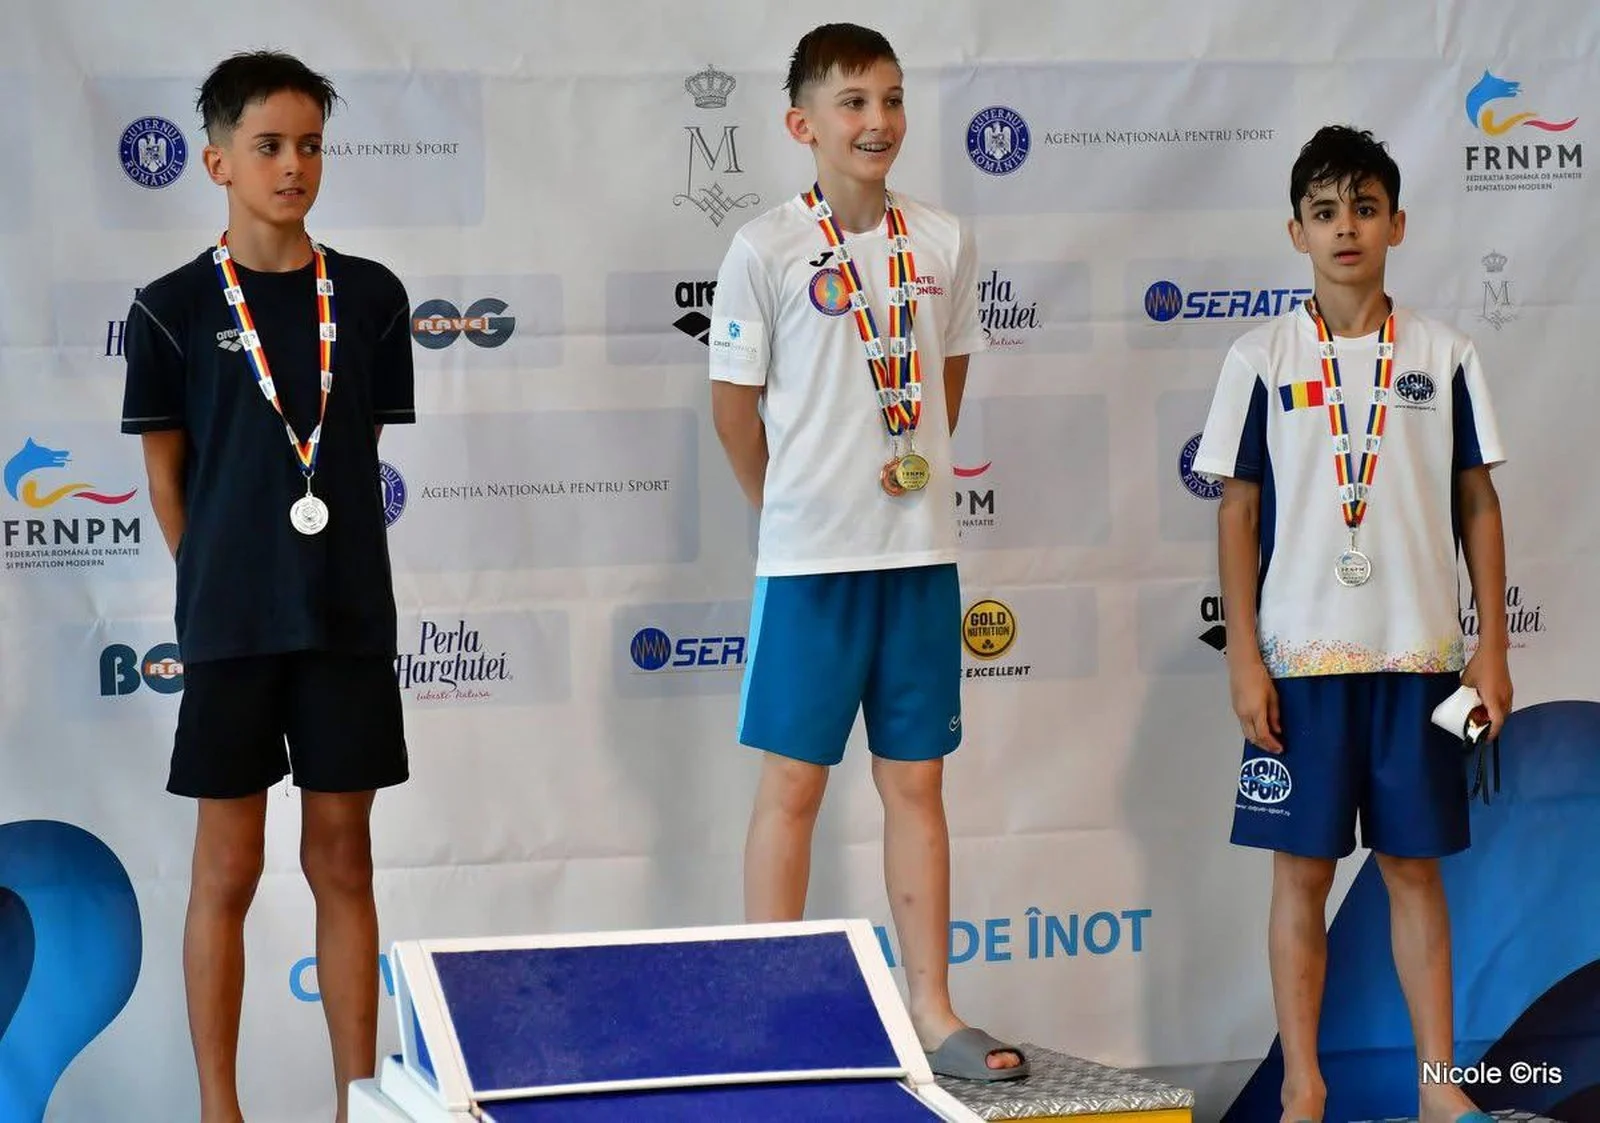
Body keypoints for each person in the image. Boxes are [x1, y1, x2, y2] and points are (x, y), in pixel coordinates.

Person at [707, 22, 1026, 1082]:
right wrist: (790, 509)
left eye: (890, 98)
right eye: (851, 102)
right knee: (793, 788)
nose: (876, 120)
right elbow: (733, 410)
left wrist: (899, 479)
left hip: (919, 557)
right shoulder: (763, 248)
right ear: (802, 123)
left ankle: (932, 1007)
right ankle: (765, 1008)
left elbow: (945, 383)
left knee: (916, 783)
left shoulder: (941, 239)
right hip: (809, 568)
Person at [1193, 125, 1511, 1123]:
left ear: (1396, 225)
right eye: (1325, 211)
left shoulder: (1445, 354)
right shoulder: (1259, 357)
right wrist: (1245, 660)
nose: (1345, 228)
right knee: (1301, 875)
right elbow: (1237, 510)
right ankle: (1302, 1088)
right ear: (1295, 230)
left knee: (1414, 872)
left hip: (1420, 661)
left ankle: (1438, 1090)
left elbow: (1477, 501)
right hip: (1299, 664)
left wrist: (1492, 649)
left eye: (1364, 209)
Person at [120, 51, 414, 1123]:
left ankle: (356, 1103)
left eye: (310, 146)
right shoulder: (168, 309)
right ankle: (219, 1108)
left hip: (344, 620)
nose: (294, 166)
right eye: (270, 146)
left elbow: (354, 451)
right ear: (217, 162)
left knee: (344, 861)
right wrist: (221, 580)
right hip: (233, 628)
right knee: (227, 870)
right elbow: (168, 479)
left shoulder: (371, 297)